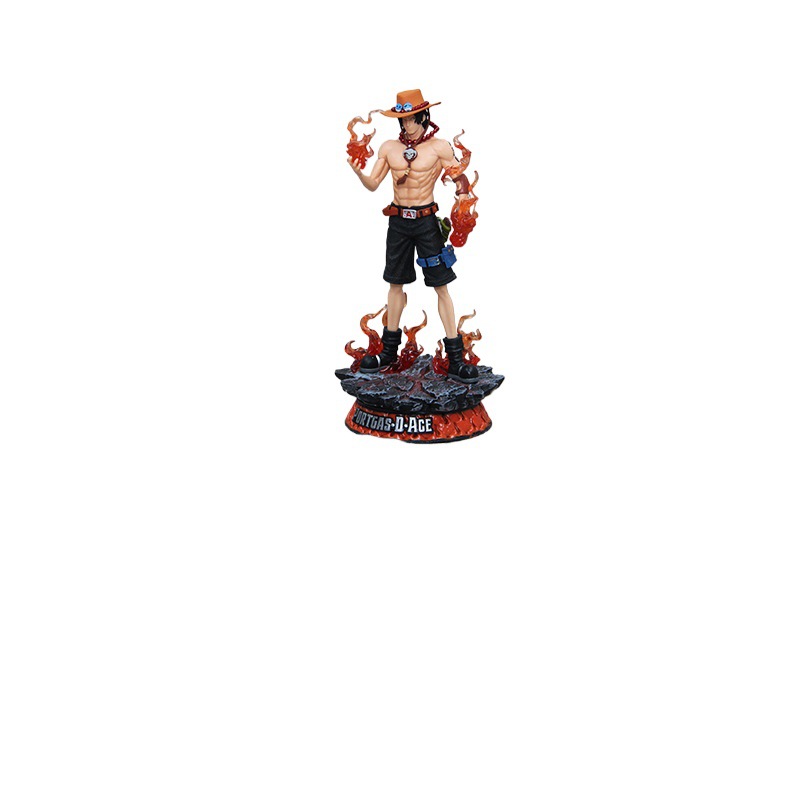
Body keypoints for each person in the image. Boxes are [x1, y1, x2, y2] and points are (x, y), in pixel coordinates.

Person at [347, 89, 479, 383]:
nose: (407, 125)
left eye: (411, 118)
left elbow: (459, 178)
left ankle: (455, 358)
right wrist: (359, 173)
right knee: (395, 283)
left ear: (423, 116)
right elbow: (373, 183)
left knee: (441, 285)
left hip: (426, 223)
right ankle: (388, 353)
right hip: (398, 223)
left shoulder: (439, 147)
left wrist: (463, 200)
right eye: (403, 120)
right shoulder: (389, 148)